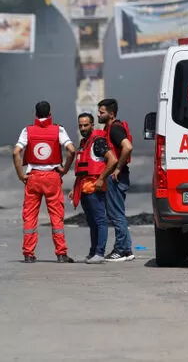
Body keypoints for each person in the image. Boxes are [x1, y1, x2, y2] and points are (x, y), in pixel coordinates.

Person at [12, 101, 76, 263]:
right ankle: (61, 254)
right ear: (50, 113)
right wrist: (65, 169)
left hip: (33, 177)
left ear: (35, 113)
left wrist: (21, 175)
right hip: (52, 177)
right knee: (56, 217)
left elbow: (16, 152)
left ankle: (28, 254)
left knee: (30, 216)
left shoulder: (27, 131)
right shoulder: (58, 130)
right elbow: (71, 150)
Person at [71, 113, 115, 264]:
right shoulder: (84, 143)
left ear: (92, 125)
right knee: (92, 222)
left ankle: (99, 253)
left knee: (100, 221)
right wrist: (74, 189)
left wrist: (101, 178)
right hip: (84, 189)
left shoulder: (98, 142)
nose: (83, 128)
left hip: (95, 189)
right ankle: (93, 251)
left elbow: (112, 160)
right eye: (80, 125)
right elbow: (82, 170)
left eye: (86, 125)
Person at [96, 98, 135, 262]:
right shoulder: (112, 128)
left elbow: (127, 147)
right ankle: (126, 250)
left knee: (116, 214)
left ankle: (120, 250)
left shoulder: (115, 129)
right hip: (118, 175)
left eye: (102, 112)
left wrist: (117, 168)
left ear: (111, 114)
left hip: (116, 177)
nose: (98, 115)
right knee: (118, 213)